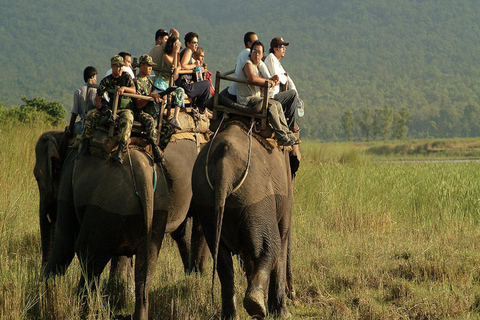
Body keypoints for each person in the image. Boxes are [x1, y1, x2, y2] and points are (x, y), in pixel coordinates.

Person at [237, 41, 299, 146]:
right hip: (247, 100)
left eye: (259, 52)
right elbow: (252, 78)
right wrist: (268, 81)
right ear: (250, 53)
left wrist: (272, 80)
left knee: (278, 104)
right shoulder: (248, 64)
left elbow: (263, 83)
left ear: (262, 55)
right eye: (254, 51)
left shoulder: (259, 66)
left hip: (257, 98)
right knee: (271, 105)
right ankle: (280, 136)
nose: (256, 54)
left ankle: (287, 132)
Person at [77, 55, 136, 164]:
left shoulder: (126, 77)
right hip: (110, 108)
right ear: (112, 66)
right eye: (118, 66)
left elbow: (133, 90)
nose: (120, 69)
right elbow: (97, 99)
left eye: (121, 67)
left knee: (128, 119)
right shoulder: (106, 81)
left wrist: (124, 88)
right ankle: (85, 145)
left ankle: (120, 151)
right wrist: (104, 110)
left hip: (123, 108)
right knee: (90, 115)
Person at [133, 54, 165, 164]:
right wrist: (149, 97)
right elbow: (138, 104)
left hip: (151, 111)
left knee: (168, 127)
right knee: (150, 122)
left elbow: (155, 93)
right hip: (140, 112)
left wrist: (159, 96)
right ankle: (154, 148)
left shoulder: (150, 81)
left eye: (152, 66)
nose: (151, 68)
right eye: (148, 65)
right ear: (142, 65)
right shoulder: (135, 82)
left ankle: (161, 148)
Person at [264, 37, 300, 132]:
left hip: (275, 95)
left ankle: (287, 122)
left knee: (293, 94)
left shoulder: (277, 62)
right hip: (271, 96)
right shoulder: (271, 58)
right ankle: (290, 125)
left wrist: (298, 97)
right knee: (292, 94)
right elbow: (278, 77)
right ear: (275, 49)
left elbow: (288, 78)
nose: (284, 49)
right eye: (282, 47)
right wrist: (284, 78)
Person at [226, 31, 271, 101]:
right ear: (249, 44)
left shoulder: (245, 54)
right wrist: (269, 78)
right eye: (256, 41)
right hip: (239, 93)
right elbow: (260, 65)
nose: (257, 54)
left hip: (239, 90)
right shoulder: (247, 52)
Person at [155, 35, 186, 130]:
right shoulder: (165, 56)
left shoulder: (178, 55)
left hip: (170, 85)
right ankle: (156, 120)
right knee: (160, 103)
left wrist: (177, 70)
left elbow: (179, 66)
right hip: (162, 84)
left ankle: (175, 117)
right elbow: (172, 64)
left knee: (180, 91)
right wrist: (176, 52)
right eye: (176, 43)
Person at [176, 32, 211, 115]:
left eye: (197, 43)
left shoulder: (189, 53)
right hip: (184, 85)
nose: (196, 45)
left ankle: (201, 108)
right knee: (206, 84)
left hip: (184, 84)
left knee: (203, 83)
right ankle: (201, 108)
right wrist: (194, 65)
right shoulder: (188, 50)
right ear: (188, 44)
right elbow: (183, 66)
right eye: (194, 42)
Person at [67, 66, 97, 136]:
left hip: (83, 124)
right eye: (96, 77)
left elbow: (74, 113)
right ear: (92, 77)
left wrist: (69, 129)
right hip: (97, 124)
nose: (96, 80)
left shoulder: (79, 91)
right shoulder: (98, 91)